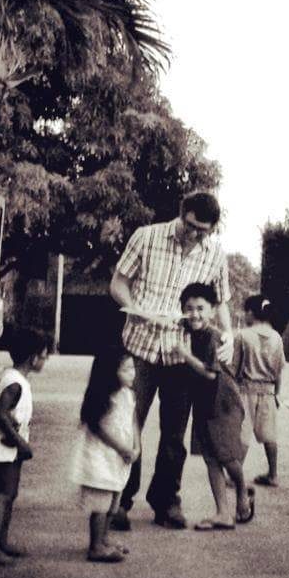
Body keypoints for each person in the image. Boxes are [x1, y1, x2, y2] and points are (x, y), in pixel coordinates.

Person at [109, 191, 233, 531]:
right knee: (127, 423)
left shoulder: (214, 256)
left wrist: (229, 336)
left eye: (203, 231)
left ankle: (166, 501)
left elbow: (221, 301)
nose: (195, 235)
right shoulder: (146, 237)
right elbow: (118, 284)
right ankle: (119, 499)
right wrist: (139, 311)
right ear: (181, 214)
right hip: (139, 349)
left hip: (182, 354)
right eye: (190, 226)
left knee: (174, 434)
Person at [176, 282, 255, 531]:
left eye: (201, 308)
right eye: (189, 308)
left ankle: (243, 492)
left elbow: (210, 374)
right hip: (203, 403)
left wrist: (185, 355)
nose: (195, 314)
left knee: (228, 457)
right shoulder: (187, 332)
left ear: (212, 311)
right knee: (211, 460)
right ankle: (222, 513)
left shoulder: (213, 337)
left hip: (223, 405)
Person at [0, 327, 49, 566]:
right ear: (33, 357)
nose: (46, 359)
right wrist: (21, 443)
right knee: (3, 497)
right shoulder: (15, 383)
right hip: (4, 448)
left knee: (10, 495)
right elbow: (0, 414)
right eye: (44, 355)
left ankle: (1, 543)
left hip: (11, 449)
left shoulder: (17, 380)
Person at [71, 347, 140, 562]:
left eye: (133, 368)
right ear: (111, 372)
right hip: (101, 457)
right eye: (126, 369)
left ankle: (104, 539)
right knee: (101, 504)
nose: (133, 373)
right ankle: (95, 546)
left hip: (119, 457)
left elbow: (133, 421)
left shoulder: (128, 394)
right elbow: (98, 428)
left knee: (113, 502)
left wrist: (137, 446)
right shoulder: (104, 397)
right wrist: (121, 448)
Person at [237, 294, 286, 487]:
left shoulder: (243, 336)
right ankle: (273, 474)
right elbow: (279, 370)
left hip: (246, 391)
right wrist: (277, 394)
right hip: (269, 391)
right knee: (269, 434)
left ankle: (236, 474)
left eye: (245, 312)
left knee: (243, 432)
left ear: (251, 312)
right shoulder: (277, 337)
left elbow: (235, 368)